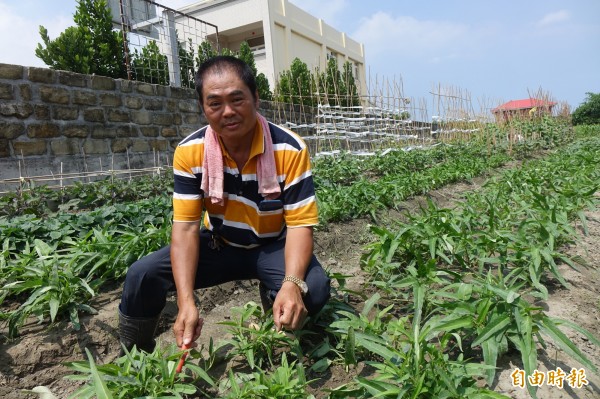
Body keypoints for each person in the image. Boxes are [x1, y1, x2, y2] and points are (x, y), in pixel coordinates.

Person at [118, 56, 330, 352]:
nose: (227, 112)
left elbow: (299, 225)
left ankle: (276, 313)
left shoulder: (289, 149)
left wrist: (291, 283)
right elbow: (186, 229)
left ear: (256, 98)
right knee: (142, 275)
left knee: (314, 289)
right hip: (221, 244)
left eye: (237, 99)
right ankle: (135, 357)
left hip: (272, 247)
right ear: (203, 108)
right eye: (215, 103)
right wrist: (186, 301)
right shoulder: (191, 152)